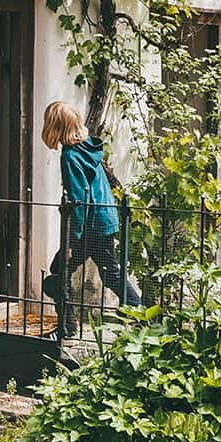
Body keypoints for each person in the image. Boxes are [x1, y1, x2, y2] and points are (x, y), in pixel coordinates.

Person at [40, 101, 140, 338]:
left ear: (55, 127)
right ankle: (139, 313)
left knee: (60, 274)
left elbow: (78, 201)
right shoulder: (88, 148)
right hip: (103, 219)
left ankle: (67, 329)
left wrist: (70, 242)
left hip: (91, 225)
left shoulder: (71, 156)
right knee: (107, 273)